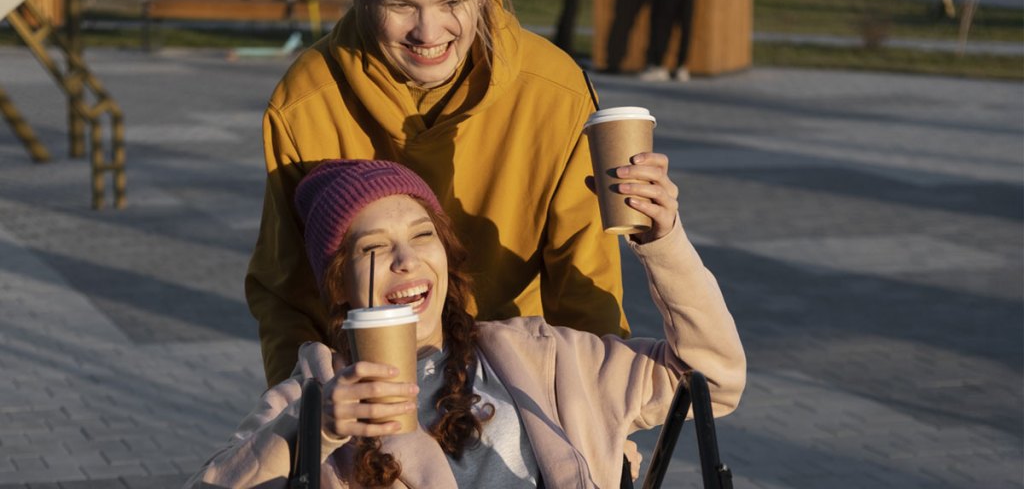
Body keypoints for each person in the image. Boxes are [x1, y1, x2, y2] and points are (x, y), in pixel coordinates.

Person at [187, 158, 745, 488]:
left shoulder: (544, 357)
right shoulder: (312, 398)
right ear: (338, 284)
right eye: (374, 248)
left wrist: (662, 241)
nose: (406, 259)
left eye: (423, 235)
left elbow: (713, 381)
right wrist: (313, 431)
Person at [246, 0, 627, 389]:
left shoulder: (555, 92)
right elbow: (288, 295)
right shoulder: (306, 103)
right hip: (371, 394)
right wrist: (308, 417)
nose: (428, 33)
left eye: (453, 1)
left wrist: (601, 415)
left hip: (518, 386)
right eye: (400, 5)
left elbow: (586, 289)